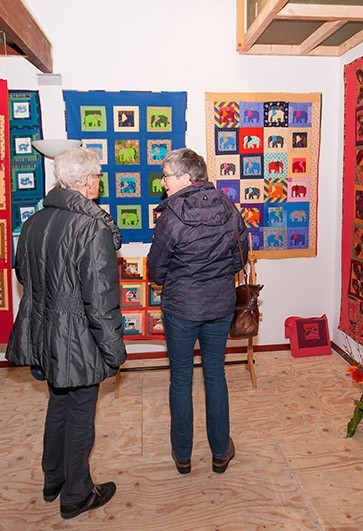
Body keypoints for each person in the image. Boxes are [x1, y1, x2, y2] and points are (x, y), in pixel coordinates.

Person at [6, 147, 127, 519]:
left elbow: (23, 274)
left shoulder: (34, 222)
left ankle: (53, 478)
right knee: (80, 414)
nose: (98, 183)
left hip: (45, 332)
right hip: (77, 337)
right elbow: (100, 298)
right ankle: (77, 493)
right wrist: (113, 350)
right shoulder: (91, 228)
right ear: (88, 182)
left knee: (58, 403)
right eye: (98, 177)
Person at [146, 148, 249, 475]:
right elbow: (240, 258)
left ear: (186, 178)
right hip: (219, 304)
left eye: (166, 176)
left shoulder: (172, 215)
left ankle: (183, 456)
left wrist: (178, 278)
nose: (163, 183)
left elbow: (156, 269)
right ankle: (220, 452)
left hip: (181, 308)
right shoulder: (228, 207)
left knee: (181, 379)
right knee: (215, 375)